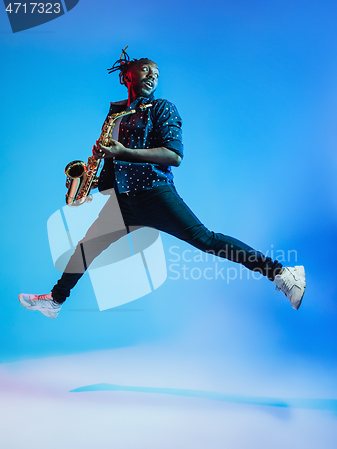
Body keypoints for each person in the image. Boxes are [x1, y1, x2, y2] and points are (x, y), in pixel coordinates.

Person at [18, 48, 306, 319]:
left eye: (156, 72)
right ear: (127, 75)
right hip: (124, 201)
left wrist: (123, 152)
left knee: (207, 241)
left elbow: (173, 155)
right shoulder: (116, 113)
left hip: (154, 193)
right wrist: (88, 182)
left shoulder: (162, 108)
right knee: (86, 248)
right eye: (145, 69)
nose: (153, 75)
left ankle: (282, 273)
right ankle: (55, 301)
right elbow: (114, 162)